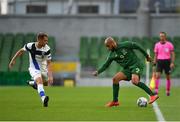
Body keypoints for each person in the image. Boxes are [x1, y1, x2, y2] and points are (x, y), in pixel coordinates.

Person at [92, 37, 159, 107]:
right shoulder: (111, 55)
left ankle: (152, 95)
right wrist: (98, 72)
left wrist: (147, 56)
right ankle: (115, 101)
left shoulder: (125, 44)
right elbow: (106, 65)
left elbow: (137, 46)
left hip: (136, 65)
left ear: (112, 43)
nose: (108, 48)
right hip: (127, 69)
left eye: (108, 46)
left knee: (134, 81)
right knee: (115, 79)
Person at [9, 32, 53, 107]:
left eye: (47, 40)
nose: (46, 42)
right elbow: (21, 51)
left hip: (43, 68)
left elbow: (49, 63)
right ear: (39, 40)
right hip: (33, 68)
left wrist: (50, 76)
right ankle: (43, 98)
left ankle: (32, 83)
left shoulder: (47, 49)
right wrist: (13, 60)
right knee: (39, 81)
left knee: (44, 83)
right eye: (45, 40)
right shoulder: (30, 46)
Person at [153, 32, 175, 96]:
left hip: (167, 61)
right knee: (157, 76)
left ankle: (168, 91)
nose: (161, 37)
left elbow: (173, 54)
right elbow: (156, 54)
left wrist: (172, 63)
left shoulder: (169, 44)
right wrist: (154, 63)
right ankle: (156, 90)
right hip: (160, 61)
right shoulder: (157, 45)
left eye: (163, 36)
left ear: (165, 37)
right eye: (160, 36)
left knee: (168, 77)